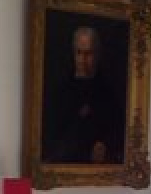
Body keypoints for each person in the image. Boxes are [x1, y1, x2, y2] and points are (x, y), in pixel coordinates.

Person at [43, 24, 124, 163]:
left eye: (88, 53)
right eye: (79, 53)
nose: (82, 60)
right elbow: (50, 135)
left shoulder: (108, 93)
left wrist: (106, 145)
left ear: (97, 55)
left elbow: (119, 132)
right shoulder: (61, 91)